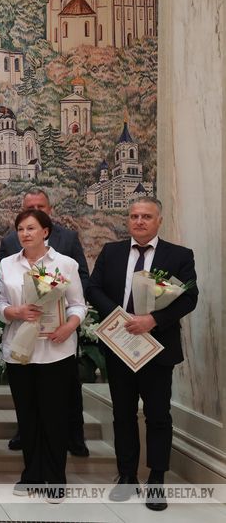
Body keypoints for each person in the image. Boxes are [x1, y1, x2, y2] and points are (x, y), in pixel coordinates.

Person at [87, 197, 198, 511]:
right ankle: (126, 476)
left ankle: (157, 479)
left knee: (158, 416)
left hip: (157, 348)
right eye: (134, 216)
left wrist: (153, 320)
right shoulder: (112, 252)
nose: (139, 221)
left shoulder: (178, 255)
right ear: (128, 220)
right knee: (122, 414)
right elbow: (93, 288)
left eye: (146, 216)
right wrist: (119, 316)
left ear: (159, 220)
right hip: (119, 345)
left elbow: (189, 297)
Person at [0, 209, 86, 503]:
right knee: (27, 416)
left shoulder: (65, 264)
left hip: (56, 350)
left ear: (45, 232)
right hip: (20, 350)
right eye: (21, 229)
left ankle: (56, 478)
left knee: (54, 416)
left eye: (31, 228)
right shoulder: (8, 264)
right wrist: (15, 311)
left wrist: (69, 327)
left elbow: (78, 305)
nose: (25, 234)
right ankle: (31, 474)